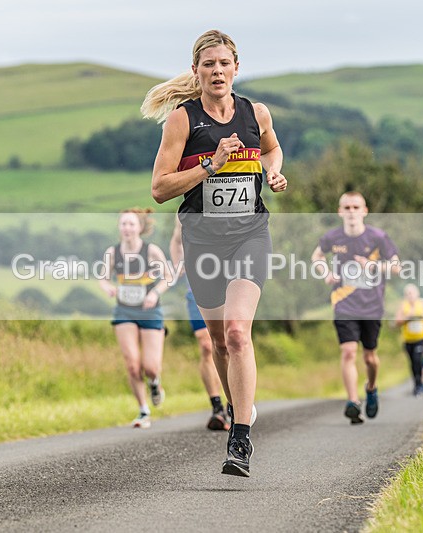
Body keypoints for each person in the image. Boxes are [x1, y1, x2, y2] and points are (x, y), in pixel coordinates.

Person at [143, 29, 287, 477]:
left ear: (236, 68)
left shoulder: (255, 113)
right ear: (196, 71)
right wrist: (211, 165)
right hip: (202, 241)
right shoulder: (182, 121)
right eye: (209, 64)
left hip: (249, 235)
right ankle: (238, 403)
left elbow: (272, 148)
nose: (217, 71)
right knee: (220, 342)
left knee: (239, 333)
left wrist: (273, 172)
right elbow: (159, 188)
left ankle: (239, 436)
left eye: (224, 63)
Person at [311, 191, 400, 424]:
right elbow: (317, 256)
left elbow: (396, 267)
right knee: (349, 351)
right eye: (347, 208)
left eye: (356, 207)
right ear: (340, 211)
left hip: (372, 305)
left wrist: (372, 265)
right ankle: (352, 402)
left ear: (365, 211)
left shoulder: (378, 237)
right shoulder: (332, 237)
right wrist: (326, 273)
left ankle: (371, 388)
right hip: (344, 303)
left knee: (370, 357)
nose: (351, 212)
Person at [99, 208, 173, 429]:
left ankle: (155, 383)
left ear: (140, 227)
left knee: (150, 367)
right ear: (119, 227)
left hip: (150, 311)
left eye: (131, 224)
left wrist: (154, 293)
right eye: (123, 224)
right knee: (132, 364)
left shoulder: (151, 251)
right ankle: (143, 410)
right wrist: (108, 288)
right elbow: (103, 278)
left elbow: (168, 277)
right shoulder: (113, 253)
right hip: (124, 312)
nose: (127, 228)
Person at [170, 215, 231, 431]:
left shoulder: (225, 204)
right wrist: (178, 265)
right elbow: (176, 239)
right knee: (207, 345)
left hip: (228, 284)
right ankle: (217, 407)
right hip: (195, 288)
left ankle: (234, 404)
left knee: (230, 343)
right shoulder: (187, 209)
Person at [394, 283, 423, 396]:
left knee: (418, 359)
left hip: (421, 338)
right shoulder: (403, 306)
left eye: (412, 293)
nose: (410, 295)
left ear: (417, 294)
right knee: (413, 363)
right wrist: (407, 317)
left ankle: (421, 384)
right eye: (408, 293)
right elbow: (397, 321)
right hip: (408, 340)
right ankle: (417, 385)